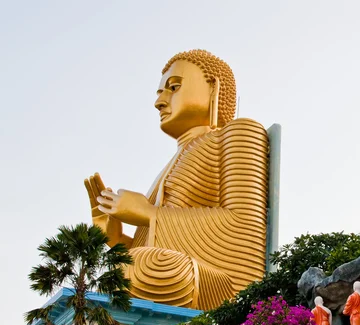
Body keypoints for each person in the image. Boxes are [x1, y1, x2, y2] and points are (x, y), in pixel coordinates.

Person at [84, 50, 270, 310]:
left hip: (219, 285)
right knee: (128, 267)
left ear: (213, 87)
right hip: (164, 267)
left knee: (149, 266)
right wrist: (116, 239)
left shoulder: (239, 133)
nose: (160, 102)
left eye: (174, 87)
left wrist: (149, 213)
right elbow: (159, 241)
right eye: (159, 93)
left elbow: (246, 226)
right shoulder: (173, 162)